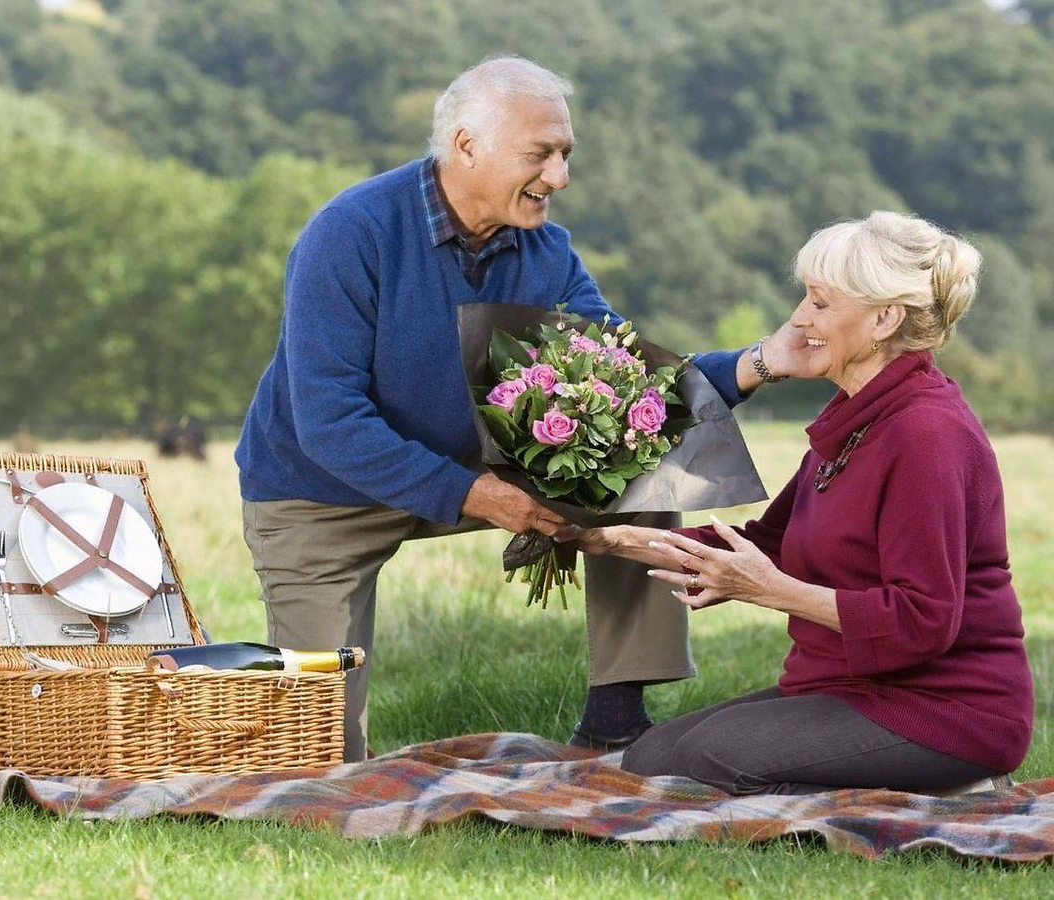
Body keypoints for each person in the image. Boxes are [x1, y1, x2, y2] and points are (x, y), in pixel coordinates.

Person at [234, 55, 792, 762]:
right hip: (319, 492)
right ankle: (325, 746)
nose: (559, 177)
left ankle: (614, 722)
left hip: (472, 470)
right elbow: (328, 422)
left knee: (639, 456)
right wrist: (480, 496)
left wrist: (764, 361)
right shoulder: (350, 234)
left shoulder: (547, 252)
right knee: (321, 756)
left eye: (565, 154)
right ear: (466, 145)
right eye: (541, 155)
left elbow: (629, 388)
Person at [574, 210, 1034, 795]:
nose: (798, 317)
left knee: (707, 762)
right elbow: (765, 545)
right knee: (653, 757)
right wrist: (608, 539)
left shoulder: (927, 435)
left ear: (884, 319)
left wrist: (767, 589)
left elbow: (923, 623)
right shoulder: (855, 417)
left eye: (820, 302)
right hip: (847, 686)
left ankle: (940, 784)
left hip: (945, 711)